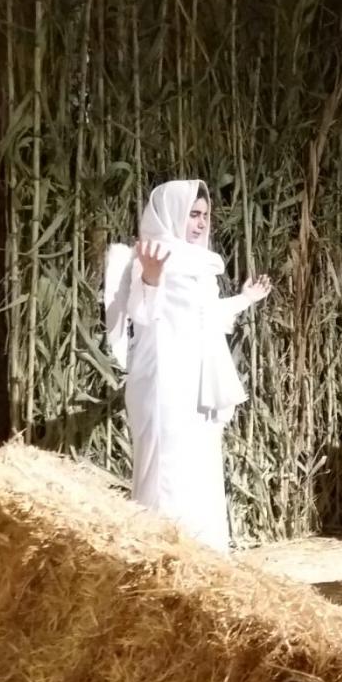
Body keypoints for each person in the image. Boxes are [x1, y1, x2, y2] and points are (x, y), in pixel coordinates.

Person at [103, 179, 270, 552]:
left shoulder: (200, 264)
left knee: (198, 469)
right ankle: (161, 556)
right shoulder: (150, 253)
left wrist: (245, 299)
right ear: (172, 213)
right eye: (193, 214)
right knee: (165, 469)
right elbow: (141, 315)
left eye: (205, 216)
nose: (200, 223)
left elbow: (206, 318)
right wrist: (151, 276)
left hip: (195, 381)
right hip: (163, 379)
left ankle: (202, 557)